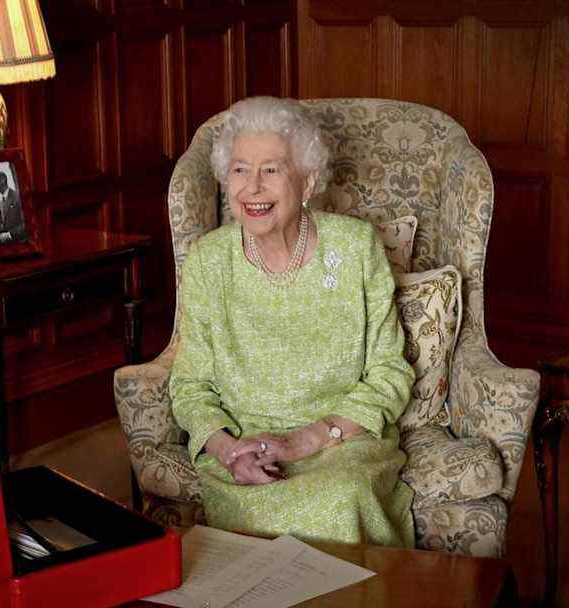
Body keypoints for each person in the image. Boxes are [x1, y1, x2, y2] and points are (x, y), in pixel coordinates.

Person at [169, 96, 416, 547]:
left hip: (342, 443)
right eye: (240, 170)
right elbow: (190, 386)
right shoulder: (208, 261)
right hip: (244, 451)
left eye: (272, 169)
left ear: (307, 182)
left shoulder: (357, 248)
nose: (253, 188)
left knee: (340, 499)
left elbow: (389, 372)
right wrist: (227, 452)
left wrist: (307, 440)